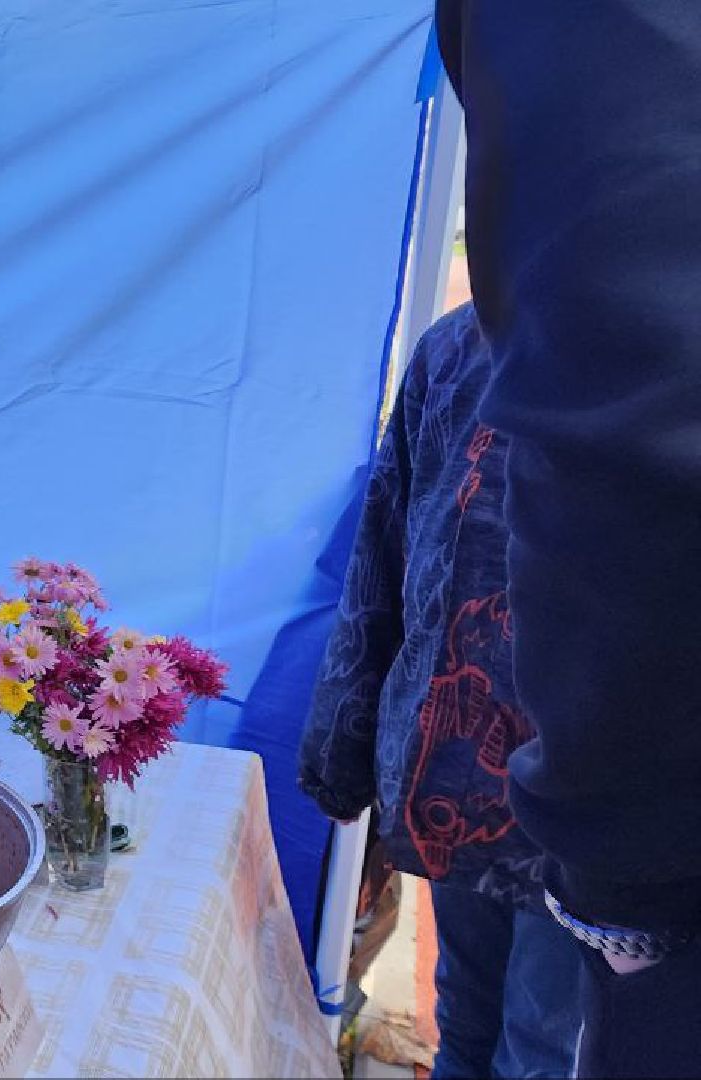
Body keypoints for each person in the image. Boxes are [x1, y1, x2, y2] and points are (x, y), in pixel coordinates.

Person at [434, 5, 701, 1076]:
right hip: (470, 777)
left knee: (537, 1039)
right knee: (466, 1012)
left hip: (604, 809)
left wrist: (619, 894)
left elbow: (642, 432)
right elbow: (389, 569)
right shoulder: (444, 359)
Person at [302, 303, 584, 1078]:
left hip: (564, 783)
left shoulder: (472, 333)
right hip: (472, 768)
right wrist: (344, 749)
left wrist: (344, 749)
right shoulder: (466, 338)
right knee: (493, 1029)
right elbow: (388, 544)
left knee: (527, 1040)